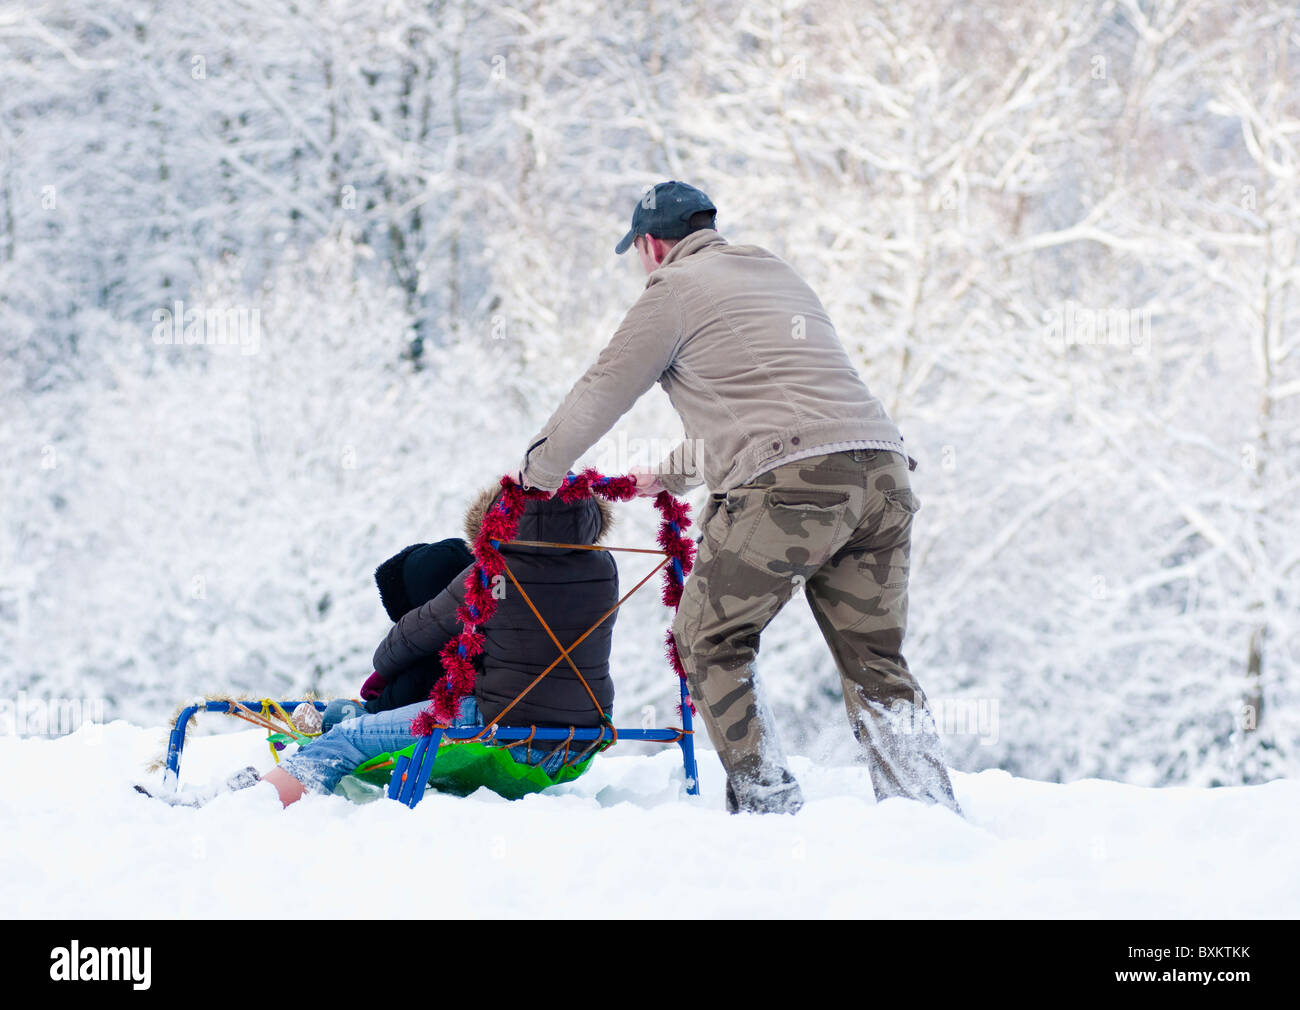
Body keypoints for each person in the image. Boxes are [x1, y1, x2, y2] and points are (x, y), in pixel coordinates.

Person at [515, 180, 962, 816]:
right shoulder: (774, 274)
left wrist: (537, 472)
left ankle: (767, 807)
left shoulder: (672, 290)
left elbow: (603, 390)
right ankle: (927, 811)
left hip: (791, 490)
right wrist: (669, 475)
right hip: (882, 476)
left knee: (706, 634)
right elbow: (783, 410)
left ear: (651, 244)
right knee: (875, 659)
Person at [142, 482, 619, 807]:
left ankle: (253, 804)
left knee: (346, 739)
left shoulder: (489, 572)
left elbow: (406, 640)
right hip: (584, 730)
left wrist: (391, 665)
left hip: (498, 719)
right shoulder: (604, 571)